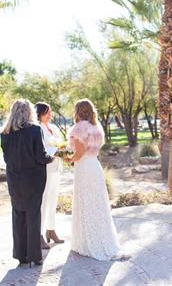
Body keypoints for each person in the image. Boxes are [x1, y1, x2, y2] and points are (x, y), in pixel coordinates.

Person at [65, 99, 123, 261]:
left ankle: (86, 243)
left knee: (85, 201)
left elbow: (79, 153)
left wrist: (68, 159)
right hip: (94, 166)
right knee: (97, 202)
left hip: (84, 168)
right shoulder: (96, 128)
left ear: (78, 111)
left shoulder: (79, 128)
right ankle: (101, 238)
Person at [1, 99, 54, 267]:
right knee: (33, 216)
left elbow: (7, 158)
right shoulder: (35, 130)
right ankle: (35, 256)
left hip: (14, 180)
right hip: (33, 180)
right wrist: (52, 156)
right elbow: (40, 156)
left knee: (18, 216)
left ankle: (21, 255)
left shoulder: (5, 133)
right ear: (29, 112)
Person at [35, 102, 64, 249]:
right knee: (44, 201)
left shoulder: (53, 128)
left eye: (50, 112)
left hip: (56, 167)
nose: (50, 114)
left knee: (53, 200)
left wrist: (63, 149)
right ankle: (39, 235)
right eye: (47, 112)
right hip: (45, 168)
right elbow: (41, 148)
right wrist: (55, 152)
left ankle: (51, 230)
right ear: (39, 113)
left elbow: (58, 143)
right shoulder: (37, 128)